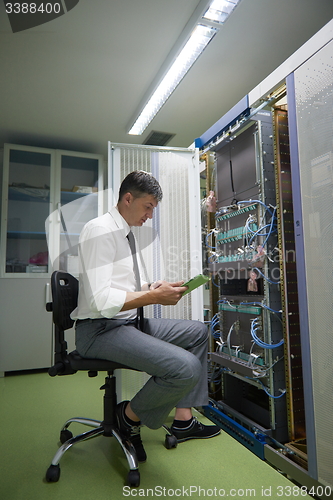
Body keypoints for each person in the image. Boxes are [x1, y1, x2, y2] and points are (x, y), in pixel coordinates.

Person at [71, 170, 220, 463]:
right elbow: (101, 301)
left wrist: (154, 287)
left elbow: (121, 288)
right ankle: (128, 417)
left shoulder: (123, 234)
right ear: (128, 198)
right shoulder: (100, 230)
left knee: (198, 332)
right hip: (99, 331)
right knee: (185, 368)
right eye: (148, 206)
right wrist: (152, 297)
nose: (150, 215)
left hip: (123, 323)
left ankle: (183, 420)